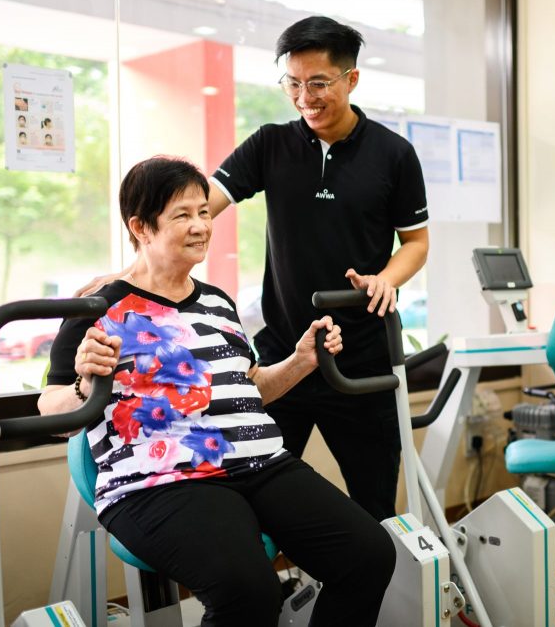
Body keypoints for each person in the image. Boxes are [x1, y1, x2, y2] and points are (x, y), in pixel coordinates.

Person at [79, 16, 429, 521]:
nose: (304, 96)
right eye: (293, 83)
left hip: (362, 359)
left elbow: (416, 243)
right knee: (252, 489)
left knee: (374, 508)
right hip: (284, 356)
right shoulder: (271, 144)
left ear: (351, 80)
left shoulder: (394, 155)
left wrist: (386, 279)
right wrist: (129, 274)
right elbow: (197, 208)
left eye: (318, 83)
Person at [41, 156, 395, 627]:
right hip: (162, 480)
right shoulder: (98, 307)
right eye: (181, 215)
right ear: (141, 227)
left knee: (369, 555)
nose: (200, 226)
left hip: (261, 463)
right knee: (247, 592)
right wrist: (87, 382)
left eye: (203, 213)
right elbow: (51, 411)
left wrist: (302, 360)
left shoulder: (217, 302)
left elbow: (249, 391)